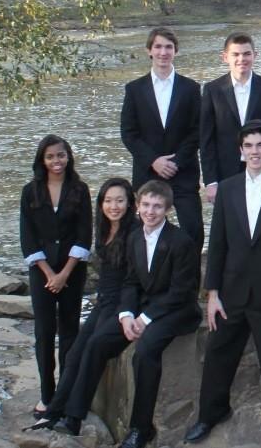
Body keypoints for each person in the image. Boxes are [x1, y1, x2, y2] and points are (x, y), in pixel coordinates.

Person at [185, 120, 261, 444]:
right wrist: (213, 293)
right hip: (232, 291)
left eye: (260, 145)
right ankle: (210, 414)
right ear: (241, 152)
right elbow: (219, 243)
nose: (255, 151)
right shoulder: (226, 189)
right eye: (249, 146)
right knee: (218, 356)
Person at [57, 180, 201, 448]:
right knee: (98, 341)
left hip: (178, 310)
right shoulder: (134, 237)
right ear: (138, 206)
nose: (150, 211)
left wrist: (145, 319)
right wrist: (125, 314)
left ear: (167, 209)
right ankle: (73, 415)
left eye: (157, 207)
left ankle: (140, 429)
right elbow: (131, 282)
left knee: (145, 351)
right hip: (143, 307)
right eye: (146, 205)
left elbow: (183, 291)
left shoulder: (181, 241)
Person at [28, 178, 137, 433]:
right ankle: (54, 411)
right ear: (100, 205)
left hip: (123, 303)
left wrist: (127, 311)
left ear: (130, 204)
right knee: (75, 352)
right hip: (104, 301)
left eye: (120, 200)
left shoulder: (134, 233)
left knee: (93, 347)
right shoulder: (103, 228)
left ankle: (74, 418)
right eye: (108, 201)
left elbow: (135, 279)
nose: (114, 206)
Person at [20, 134, 92, 420]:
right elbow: (27, 236)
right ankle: (47, 395)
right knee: (44, 333)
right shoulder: (30, 191)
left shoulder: (80, 189)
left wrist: (64, 273)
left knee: (70, 330)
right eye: (50, 156)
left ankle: (67, 392)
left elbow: (85, 233)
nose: (56, 161)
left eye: (61, 155)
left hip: (72, 270)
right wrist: (50, 273)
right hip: (42, 273)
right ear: (42, 160)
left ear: (68, 156)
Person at [120, 27, 203, 251]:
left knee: (193, 229)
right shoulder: (135, 89)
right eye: (158, 46)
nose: (163, 52)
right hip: (148, 172)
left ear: (175, 51)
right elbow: (128, 133)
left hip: (182, 172)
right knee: (144, 231)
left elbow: (197, 131)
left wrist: (176, 162)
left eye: (168, 47)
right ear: (149, 50)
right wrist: (154, 160)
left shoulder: (191, 88)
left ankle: (190, 283)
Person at [200, 32, 261, 203]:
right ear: (225, 57)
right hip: (224, 173)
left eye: (246, 53)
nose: (241, 59)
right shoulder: (212, 89)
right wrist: (211, 181)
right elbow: (206, 139)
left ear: (255, 55)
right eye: (235, 54)